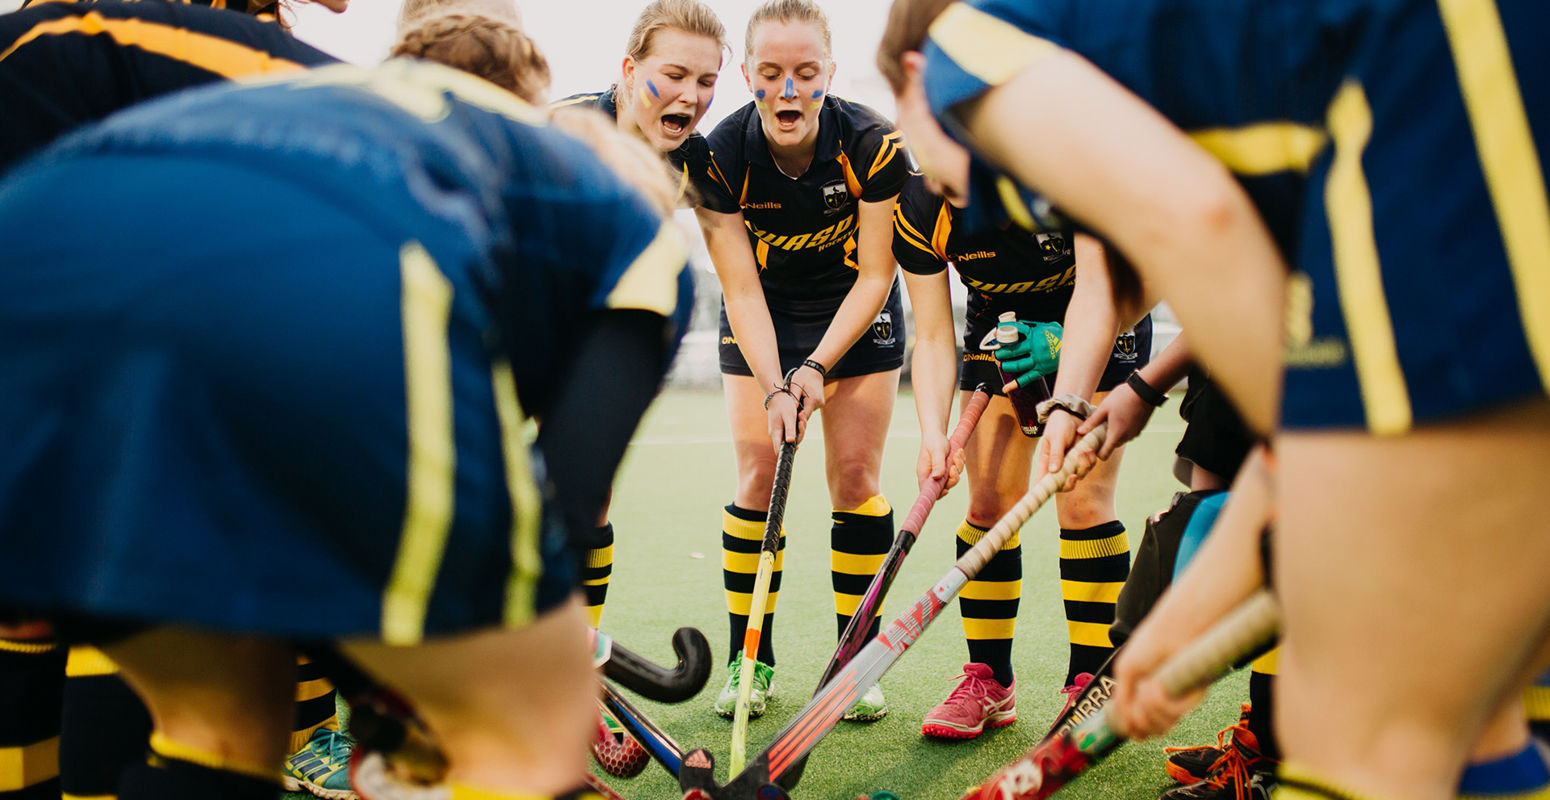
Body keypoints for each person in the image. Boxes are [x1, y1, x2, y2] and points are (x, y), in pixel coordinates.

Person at [889, 1, 1550, 799]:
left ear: (915, 80)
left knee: (1361, 731)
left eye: (928, 169)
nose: (941, 193)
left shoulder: (969, 53)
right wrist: (1197, 590)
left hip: (1450, 120)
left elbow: (1197, 224)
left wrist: (1303, 495)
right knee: (1476, 711)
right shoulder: (1153, 72)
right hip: (1483, 118)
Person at [0, 56, 693, 800]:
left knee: (215, 718)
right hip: (314, 281)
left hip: (31, 257)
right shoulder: (630, 226)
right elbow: (559, 507)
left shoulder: (418, 128)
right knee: (529, 729)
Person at [697, 0, 908, 723]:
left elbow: (877, 274)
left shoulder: (873, 145)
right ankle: (748, 661)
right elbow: (741, 289)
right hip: (763, 315)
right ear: (747, 75)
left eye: (806, 74)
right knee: (759, 476)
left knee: (855, 478)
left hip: (855, 312)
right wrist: (774, 381)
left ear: (830, 76)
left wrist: (816, 366)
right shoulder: (720, 157)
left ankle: (854, 664)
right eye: (772, 73)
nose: (789, 91)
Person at [894, 162, 1148, 739]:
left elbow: (1111, 285)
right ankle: (990, 681)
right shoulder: (917, 205)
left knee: (1080, 499)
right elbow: (933, 335)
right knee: (986, 505)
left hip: (1104, 311)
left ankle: (1092, 681)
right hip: (1000, 329)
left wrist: (1060, 342)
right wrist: (934, 430)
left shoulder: (1055, 166)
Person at [551, 0, 731, 629]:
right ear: (629, 70)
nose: (692, 94)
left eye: (707, 81)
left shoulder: (696, 161)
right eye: (675, 74)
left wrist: (785, 378)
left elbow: (740, 279)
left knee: (588, 497)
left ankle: (578, 675)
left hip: (592, 336)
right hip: (515, 325)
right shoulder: (558, 132)